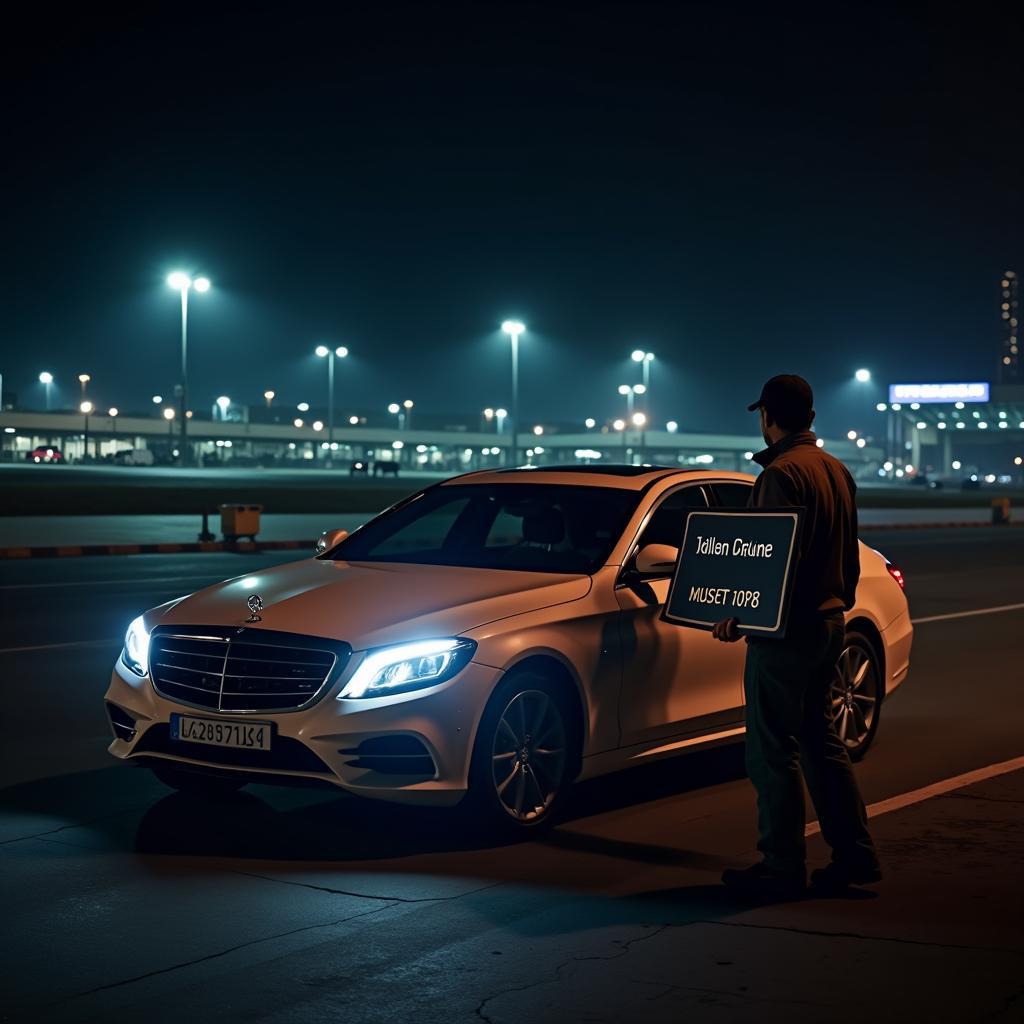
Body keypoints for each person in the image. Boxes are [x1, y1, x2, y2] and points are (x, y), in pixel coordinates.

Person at [712, 374, 880, 899]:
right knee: (821, 743)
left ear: (770, 416)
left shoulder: (782, 474)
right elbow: (847, 558)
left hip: (785, 633)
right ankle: (855, 856)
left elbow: (771, 561)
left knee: (771, 751)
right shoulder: (836, 470)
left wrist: (740, 615)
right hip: (829, 623)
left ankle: (781, 865)